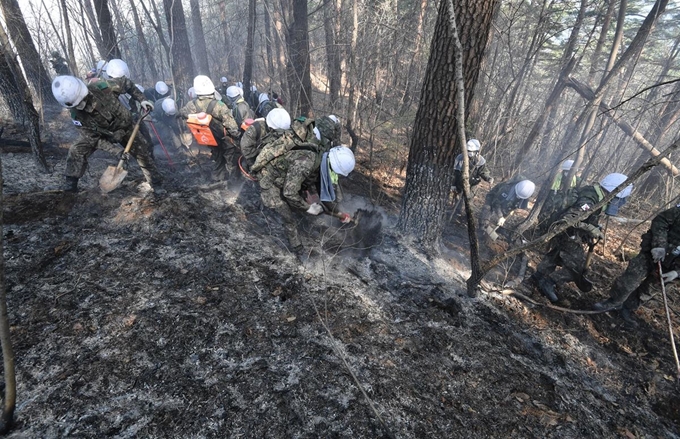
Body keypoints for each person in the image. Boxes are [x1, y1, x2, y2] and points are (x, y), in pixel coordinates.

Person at [251, 110, 354, 256]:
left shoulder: (322, 160)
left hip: (285, 179)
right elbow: (289, 192)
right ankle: (298, 250)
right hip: (270, 181)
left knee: (298, 205)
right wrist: (308, 208)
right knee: (289, 219)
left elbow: (322, 190)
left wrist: (338, 212)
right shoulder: (307, 162)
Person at [51, 75, 164, 194]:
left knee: (142, 152)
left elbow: (126, 83)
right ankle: (70, 185)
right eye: (76, 104)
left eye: (82, 100)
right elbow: (92, 139)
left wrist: (142, 99)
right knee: (76, 149)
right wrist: (116, 151)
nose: (81, 105)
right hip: (102, 134)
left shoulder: (103, 87)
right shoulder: (76, 116)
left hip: (125, 127)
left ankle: (156, 183)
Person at [532, 173, 632, 303]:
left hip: (569, 233)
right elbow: (570, 219)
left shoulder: (596, 195)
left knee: (556, 254)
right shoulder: (589, 199)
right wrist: (590, 229)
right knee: (577, 267)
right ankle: (549, 282)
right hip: (567, 232)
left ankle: (538, 276)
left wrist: (591, 230)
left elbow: (586, 218)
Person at [593, 203, 679, 327]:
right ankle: (613, 302)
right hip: (651, 252)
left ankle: (627, 308)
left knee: (649, 290)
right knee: (630, 278)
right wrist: (659, 245)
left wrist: (677, 273)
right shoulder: (677, 212)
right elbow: (661, 220)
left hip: (672, 267)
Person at [179, 75, 240, 182]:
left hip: (208, 138)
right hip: (223, 138)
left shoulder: (191, 105)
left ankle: (217, 177)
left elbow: (182, 113)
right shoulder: (219, 105)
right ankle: (233, 181)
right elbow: (232, 127)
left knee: (217, 157)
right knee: (230, 159)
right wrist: (237, 136)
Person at [537, 159, 580, 232]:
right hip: (553, 200)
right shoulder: (556, 178)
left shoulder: (577, 181)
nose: (568, 174)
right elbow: (550, 192)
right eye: (566, 171)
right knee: (544, 216)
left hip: (564, 205)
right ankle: (541, 229)